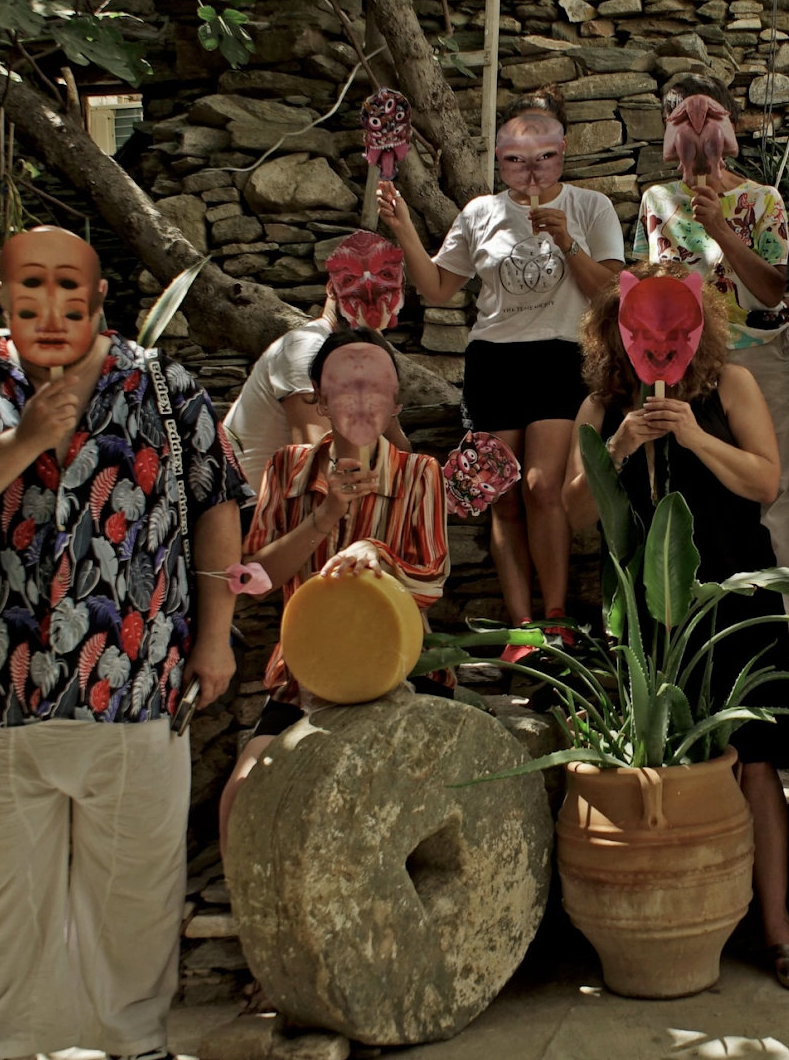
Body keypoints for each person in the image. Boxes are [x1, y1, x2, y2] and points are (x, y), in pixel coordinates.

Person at [0, 226, 249, 1060]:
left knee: (137, 899)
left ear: (98, 295)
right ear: (4, 297)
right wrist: (18, 443)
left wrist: (216, 639)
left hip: (137, 687)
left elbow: (216, 503)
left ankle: (133, 1044)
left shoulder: (163, 387)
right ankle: (2, 1045)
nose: (50, 307)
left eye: (68, 287)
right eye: (31, 287)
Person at [562, 261, 789, 991]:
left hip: (733, 590)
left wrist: (695, 437)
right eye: (640, 327)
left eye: (675, 325)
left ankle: (776, 925)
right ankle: (678, 915)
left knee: (757, 760)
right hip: (647, 607)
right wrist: (619, 447)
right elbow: (573, 511)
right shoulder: (602, 404)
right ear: (616, 331)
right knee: (662, 759)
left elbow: (766, 482)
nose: (658, 339)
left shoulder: (728, 384)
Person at [379, 89, 624, 657]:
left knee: (542, 486)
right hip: (495, 359)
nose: (531, 167)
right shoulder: (481, 213)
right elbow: (438, 288)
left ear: (561, 149)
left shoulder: (591, 207)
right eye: (517, 155)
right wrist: (404, 228)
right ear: (501, 156)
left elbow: (611, 294)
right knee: (503, 496)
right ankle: (522, 628)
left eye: (544, 152)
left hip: (563, 355)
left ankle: (557, 616)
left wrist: (566, 242)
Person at [219, 326, 449, 841]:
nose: (362, 399)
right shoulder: (287, 467)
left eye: (376, 387)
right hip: (307, 672)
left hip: (402, 668)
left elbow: (431, 582)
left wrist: (375, 552)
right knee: (242, 796)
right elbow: (255, 578)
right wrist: (325, 516)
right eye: (346, 386)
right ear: (320, 401)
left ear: (396, 403)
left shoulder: (420, 473)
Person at [632, 73, 789, 569]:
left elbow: (773, 289)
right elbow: (646, 285)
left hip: (762, 351)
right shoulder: (656, 202)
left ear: (729, 125)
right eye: (680, 119)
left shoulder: (763, 199)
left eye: (709, 117)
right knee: (701, 475)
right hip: (689, 360)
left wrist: (718, 226)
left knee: (784, 480)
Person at [223, 280, 410, 510]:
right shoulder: (307, 347)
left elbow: (403, 460)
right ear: (332, 287)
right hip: (257, 514)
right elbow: (321, 470)